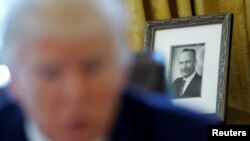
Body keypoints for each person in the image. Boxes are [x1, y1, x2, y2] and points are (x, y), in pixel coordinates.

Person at [0, 0, 218, 141]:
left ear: (121, 70)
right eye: (50, 72)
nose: (76, 93)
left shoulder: (192, 134)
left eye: (92, 67)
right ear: (15, 82)